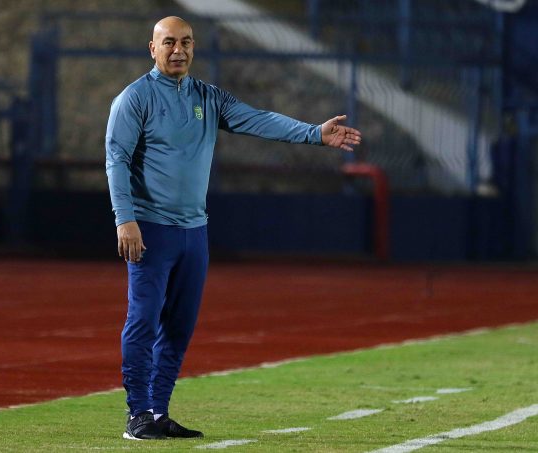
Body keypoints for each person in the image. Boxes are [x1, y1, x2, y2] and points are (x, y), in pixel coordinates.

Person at [105, 16, 361, 440]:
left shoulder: (208, 96)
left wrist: (314, 134)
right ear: (152, 48)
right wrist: (124, 219)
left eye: (186, 42)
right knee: (143, 321)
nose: (179, 50)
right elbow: (116, 160)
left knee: (179, 327)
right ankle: (138, 415)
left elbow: (258, 119)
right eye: (169, 43)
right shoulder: (134, 99)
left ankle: (159, 412)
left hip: (194, 232)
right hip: (151, 228)